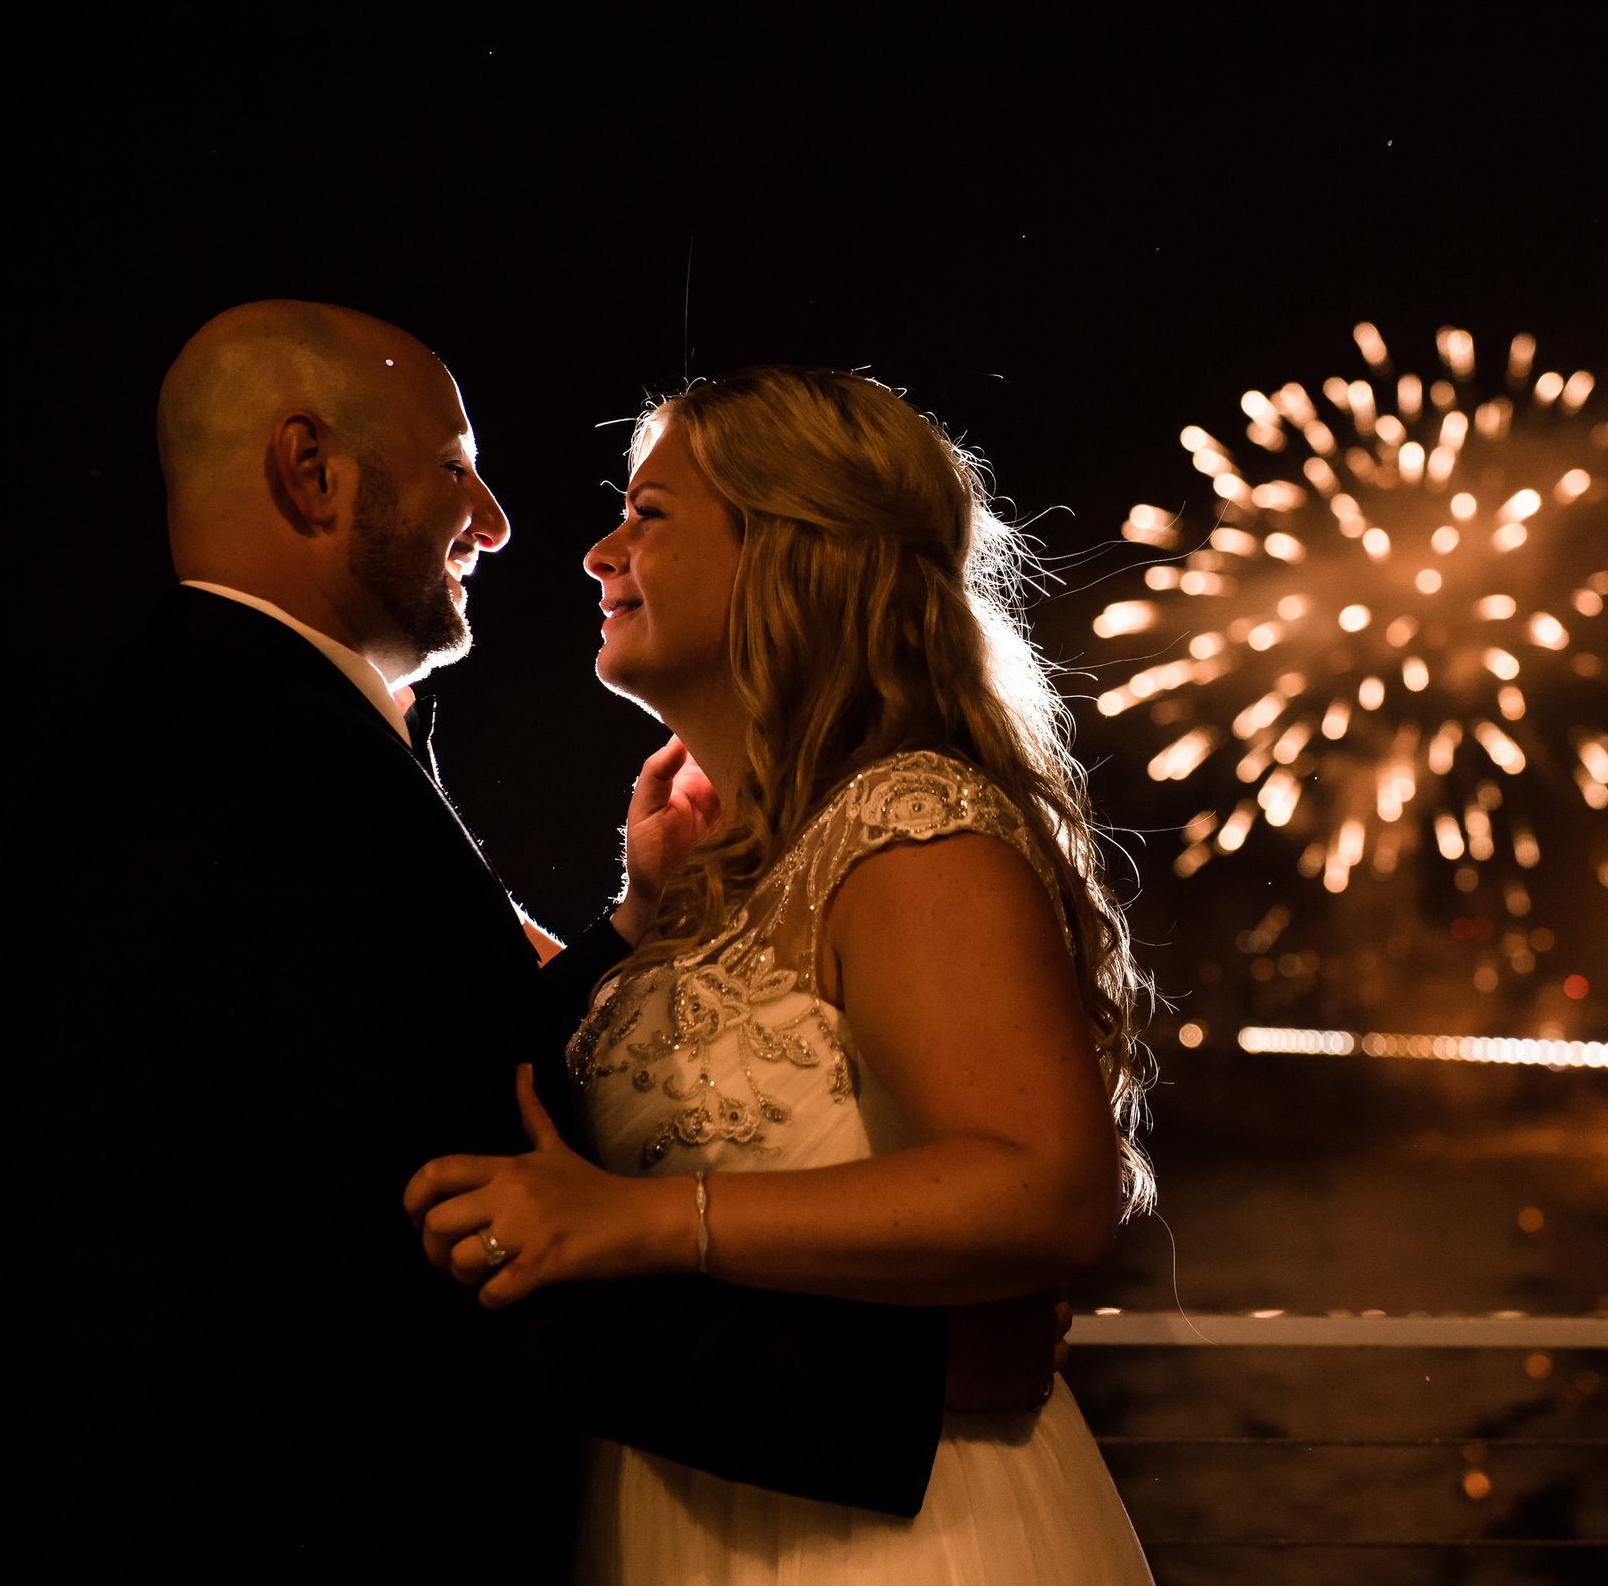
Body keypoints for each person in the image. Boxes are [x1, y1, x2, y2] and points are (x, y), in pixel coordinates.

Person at [0, 306, 1053, 1578]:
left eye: (646, 515)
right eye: (452, 467)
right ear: (308, 472)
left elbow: (414, 1093)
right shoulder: (262, 770)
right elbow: (421, 1234)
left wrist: (629, 934)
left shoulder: (216, 731)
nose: (502, 522)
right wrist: (901, 1382)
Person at [406, 366, 1158, 1582]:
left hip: (893, 1537)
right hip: (701, 1493)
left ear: (790, 549)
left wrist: (641, 1222)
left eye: (647, 514)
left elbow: (1044, 1190)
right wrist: (642, 913)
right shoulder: (739, 868)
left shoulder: (912, 827)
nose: (599, 553)